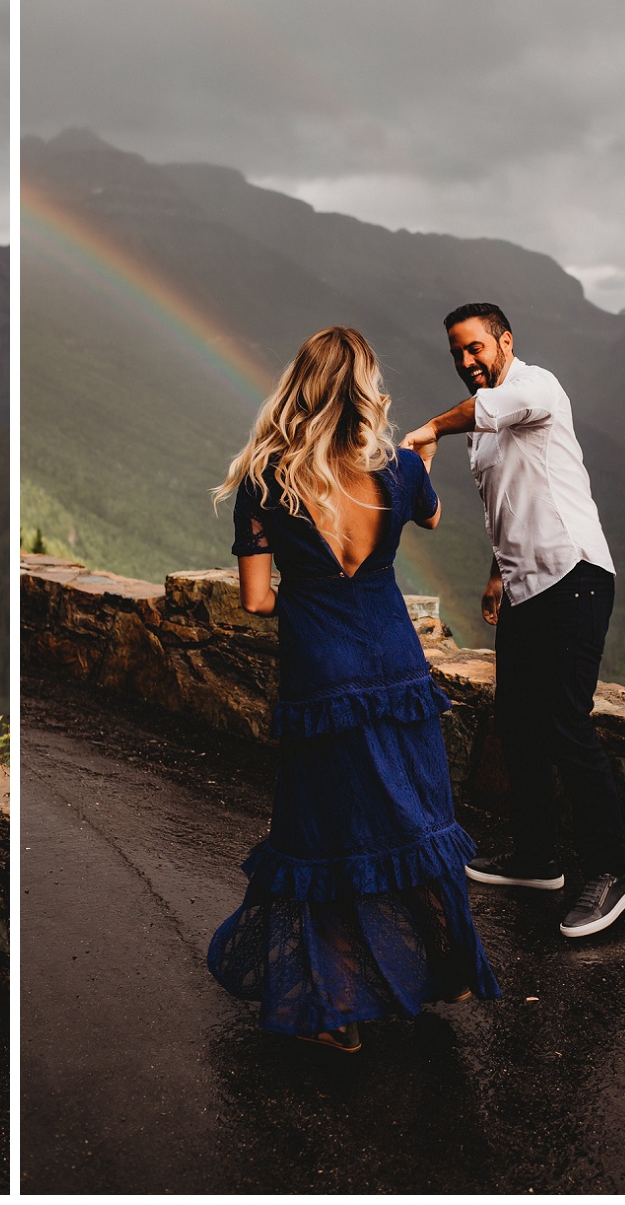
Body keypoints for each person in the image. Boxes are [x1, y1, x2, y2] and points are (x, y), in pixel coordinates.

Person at [206, 326, 499, 1053]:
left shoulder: (267, 481)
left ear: (298, 387)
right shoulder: (399, 468)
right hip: (397, 668)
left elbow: (255, 601)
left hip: (320, 672)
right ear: (366, 390)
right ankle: (452, 971)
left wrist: (306, 592)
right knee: (414, 814)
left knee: (324, 830)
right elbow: (430, 516)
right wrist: (419, 455)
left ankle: (333, 1016)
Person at [401, 302, 625, 938]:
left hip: (575, 576)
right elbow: (508, 507)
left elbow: (485, 411)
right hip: (526, 586)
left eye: (475, 348)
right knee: (517, 723)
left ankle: (612, 871)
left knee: (565, 720)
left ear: (505, 342)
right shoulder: (482, 432)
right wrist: (496, 572)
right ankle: (537, 860)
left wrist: (425, 431)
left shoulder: (537, 386)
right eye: (456, 353)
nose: (466, 361)